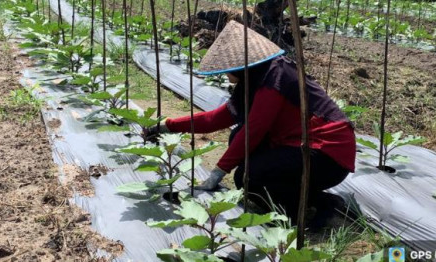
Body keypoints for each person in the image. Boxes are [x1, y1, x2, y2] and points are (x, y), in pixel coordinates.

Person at [145, 20, 356, 222]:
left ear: (239, 66)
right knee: (242, 159)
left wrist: (217, 174)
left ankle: (305, 210)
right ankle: (309, 198)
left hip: (327, 154)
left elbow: (255, 129)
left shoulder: (276, 76)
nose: (226, 74)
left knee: (250, 177)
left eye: (228, 69)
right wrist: (167, 126)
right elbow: (216, 119)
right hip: (299, 144)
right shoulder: (254, 79)